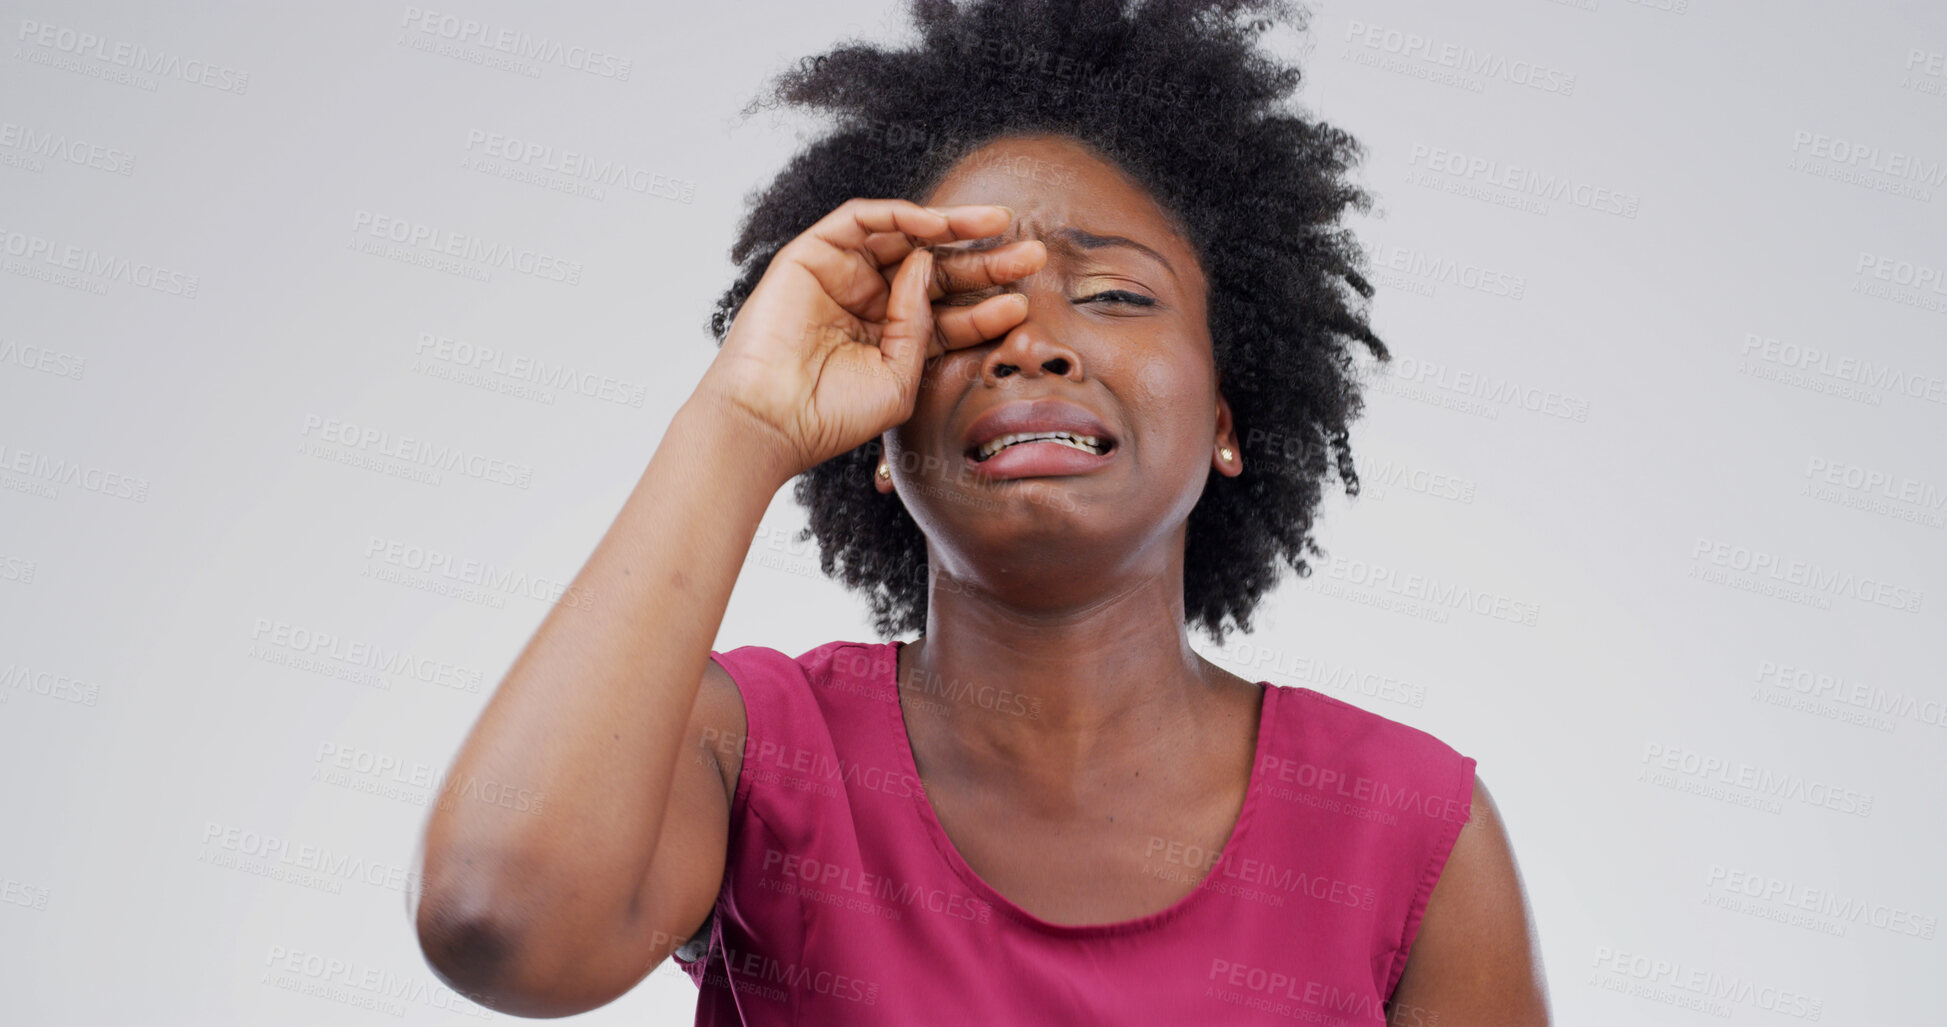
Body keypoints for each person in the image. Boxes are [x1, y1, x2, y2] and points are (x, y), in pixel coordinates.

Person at [411, 1, 1550, 1023]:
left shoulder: (1407, 829)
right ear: (881, 440)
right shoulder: (752, 751)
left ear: (1227, 416)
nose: (1034, 340)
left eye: (1112, 295)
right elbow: (496, 921)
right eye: (960, 308)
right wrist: (744, 419)